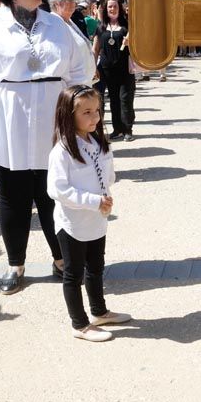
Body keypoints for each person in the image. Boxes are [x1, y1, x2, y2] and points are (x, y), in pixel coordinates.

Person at [0, 0, 90, 295]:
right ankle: (15, 264)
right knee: (13, 197)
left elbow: (78, 72)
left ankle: (61, 259)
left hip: (52, 115)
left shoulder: (57, 26)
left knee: (53, 194)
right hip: (7, 118)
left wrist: (79, 115)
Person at [47, 85, 131, 342]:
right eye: (86, 112)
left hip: (96, 219)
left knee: (96, 266)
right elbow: (58, 190)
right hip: (73, 222)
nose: (94, 117)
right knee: (74, 273)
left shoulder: (96, 141)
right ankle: (79, 323)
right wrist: (94, 200)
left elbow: (107, 172)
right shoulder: (62, 151)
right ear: (68, 114)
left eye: (97, 111)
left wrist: (104, 196)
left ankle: (99, 310)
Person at [92, 0, 136, 141]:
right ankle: (117, 129)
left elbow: (139, 46)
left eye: (115, 6)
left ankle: (127, 129)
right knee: (113, 99)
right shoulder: (101, 27)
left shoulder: (127, 26)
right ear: (106, 9)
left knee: (125, 99)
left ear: (120, 8)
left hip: (125, 69)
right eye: (110, 6)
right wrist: (93, 67)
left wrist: (132, 43)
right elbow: (95, 48)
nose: (112, 9)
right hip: (106, 70)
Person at [48, 0, 95, 69]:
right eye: (68, 0)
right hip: (70, 79)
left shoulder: (70, 21)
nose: (73, 3)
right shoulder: (54, 24)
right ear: (56, 3)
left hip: (84, 78)